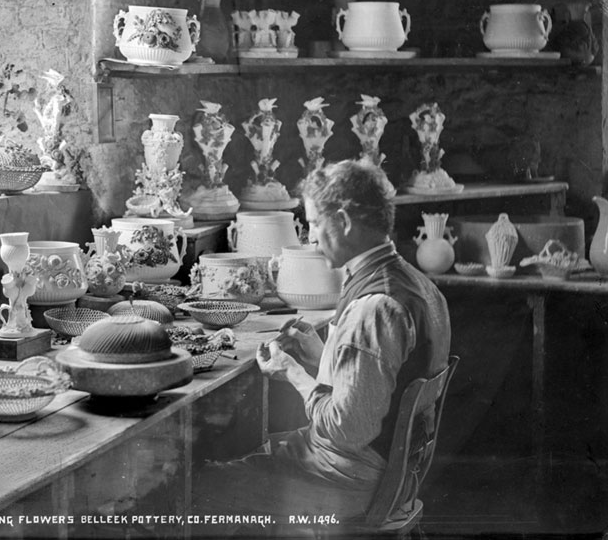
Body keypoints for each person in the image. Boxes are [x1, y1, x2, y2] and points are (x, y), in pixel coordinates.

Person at [192, 159, 452, 534]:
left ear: (343, 221)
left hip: (349, 480)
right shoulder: (419, 284)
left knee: (198, 485)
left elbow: (347, 431)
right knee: (247, 448)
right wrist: (322, 353)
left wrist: (292, 372)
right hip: (395, 475)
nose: (310, 236)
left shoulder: (373, 308)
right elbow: (380, 383)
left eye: (314, 223)